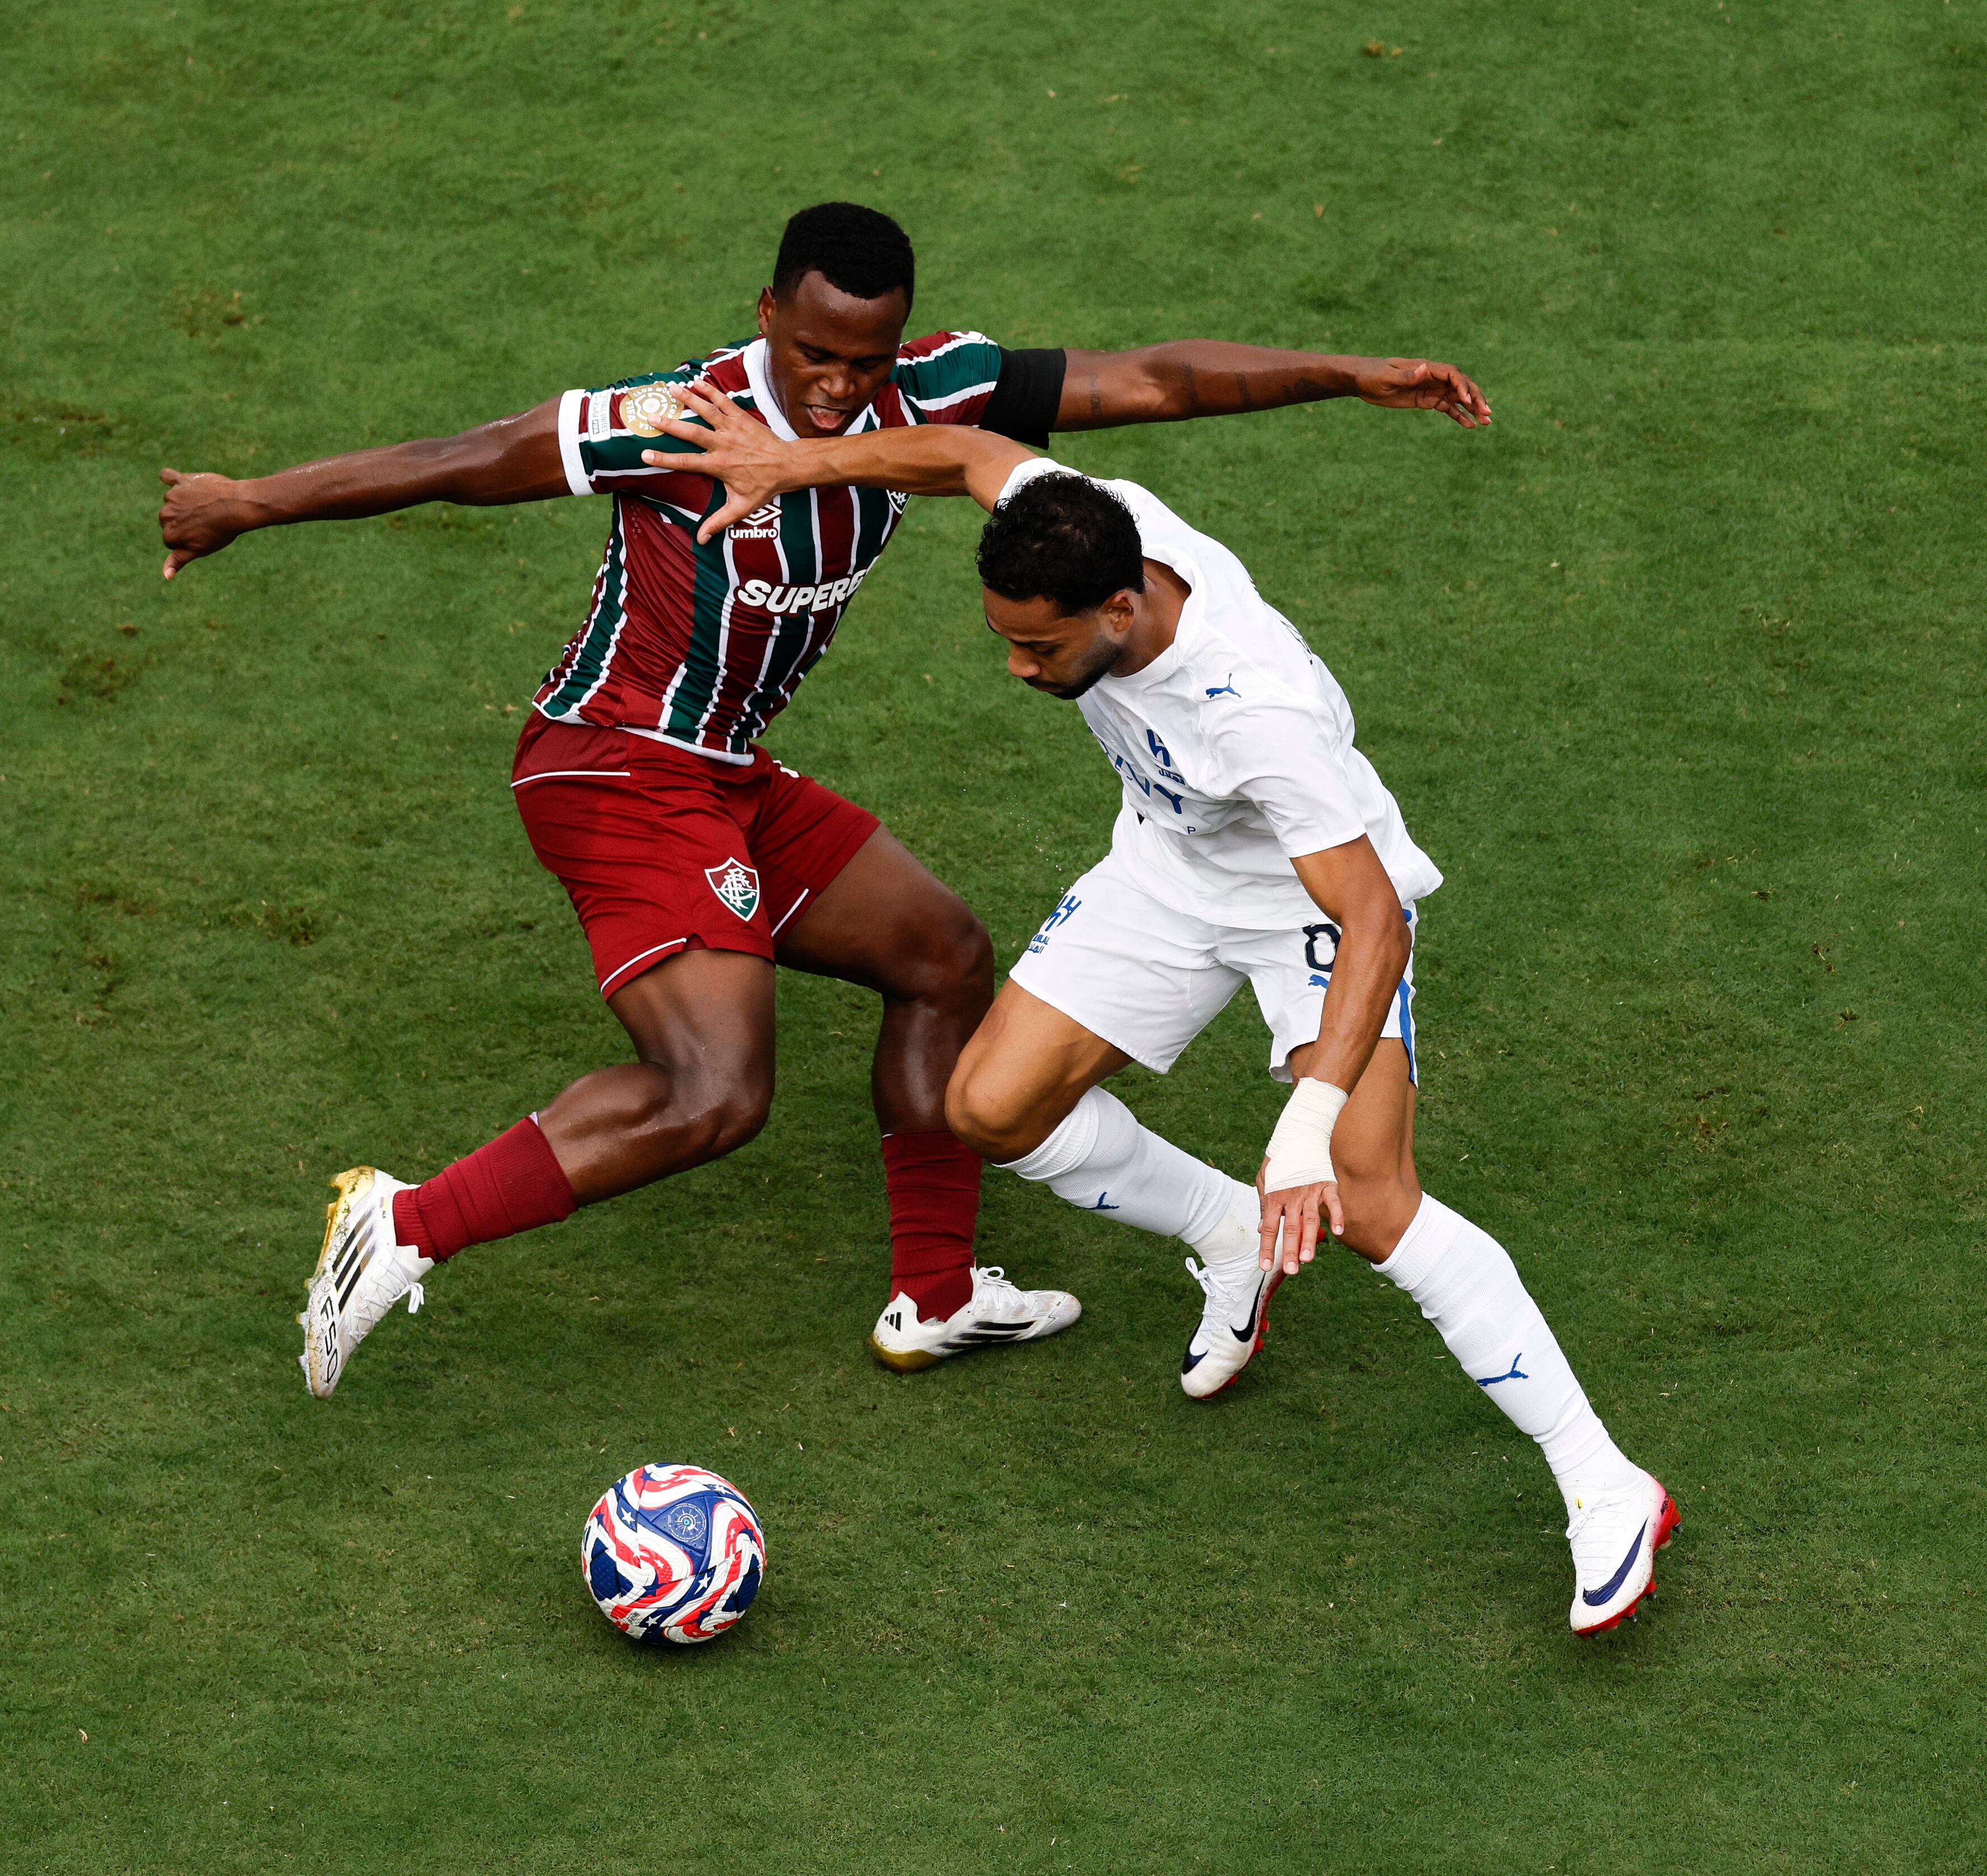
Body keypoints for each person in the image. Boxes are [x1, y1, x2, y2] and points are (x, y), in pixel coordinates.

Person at [155, 201, 1494, 1397]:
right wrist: (247, 503)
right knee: (714, 1093)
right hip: (612, 765)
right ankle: (400, 1226)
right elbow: (464, 455)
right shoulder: (674, 418)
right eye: (815, 355)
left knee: (940, 955)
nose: (843, 384)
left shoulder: (935, 392)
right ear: (768, 318)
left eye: (865, 358)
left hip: (728, 774)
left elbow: (1148, 381)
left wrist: (1349, 374)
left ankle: (939, 1292)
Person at [649, 378, 1675, 1633]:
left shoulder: (1258, 720)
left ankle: (1602, 1481)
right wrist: (788, 466)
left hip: (1308, 908)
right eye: (1005, 641)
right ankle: (1230, 1236)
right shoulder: (1087, 522)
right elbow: (972, 449)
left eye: (1041, 648)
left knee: (1369, 1198)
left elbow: (1371, 919)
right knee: (991, 1102)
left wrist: (1302, 1130)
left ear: (1123, 608)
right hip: (1166, 868)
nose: (1021, 669)